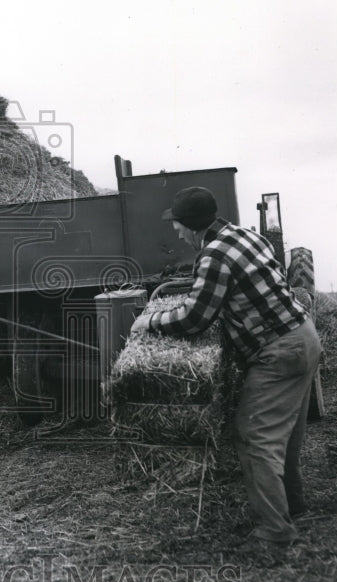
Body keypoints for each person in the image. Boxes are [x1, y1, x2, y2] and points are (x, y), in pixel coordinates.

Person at [130, 186, 320, 547]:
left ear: (192, 225)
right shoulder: (245, 234)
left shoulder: (213, 255)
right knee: (288, 435)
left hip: (277, 351)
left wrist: (149, 322)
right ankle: (293, 507)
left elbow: (195, 318)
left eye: (179, 225)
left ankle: (275, 533)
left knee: (254, 437)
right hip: (303, 336)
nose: (177, 232)